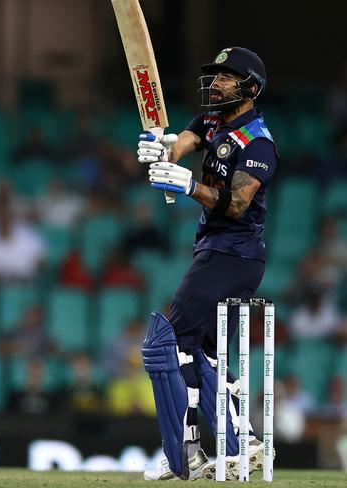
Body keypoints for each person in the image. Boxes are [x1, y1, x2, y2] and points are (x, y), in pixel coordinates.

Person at [137, 47, 279, 481]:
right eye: (215, 75)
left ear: (250, 88)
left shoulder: (258, 142)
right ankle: (243, 441)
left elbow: (236, 204)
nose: (216, 83)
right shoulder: (213, 120)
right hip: (217, 252)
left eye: (226, 77)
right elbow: (186, 140)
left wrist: (188, 184)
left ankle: (187, 449)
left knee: (170, 341)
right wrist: (164, 151)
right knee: (205, 352)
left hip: (233, 255)